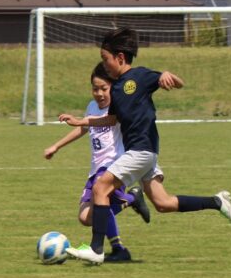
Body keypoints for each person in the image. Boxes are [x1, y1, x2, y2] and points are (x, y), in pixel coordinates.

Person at [58, 27, 231, 266]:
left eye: (105, 58)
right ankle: (217, 202)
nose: (104, 64)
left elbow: (178, 83)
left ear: (120, 57)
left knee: (101, 187)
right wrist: (81, 121)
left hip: (141, 150)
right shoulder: (117, 88)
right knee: (163, 204)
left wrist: (169, 76)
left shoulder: (140, 76)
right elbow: (111, 120)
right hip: (142, 153)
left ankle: (96, 249)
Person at [44, 64, 151, 263]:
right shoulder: (91, 107)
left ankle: (113, 248)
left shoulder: (118, 107)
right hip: (95, 168)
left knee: (100, 200)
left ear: (113, 87)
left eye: (104, 88)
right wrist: (56, 146)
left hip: (113, 165)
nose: (99, 93)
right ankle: (132, 200)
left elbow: (110, 120)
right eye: (95, 89)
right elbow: (83, 128)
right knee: (86, 217)